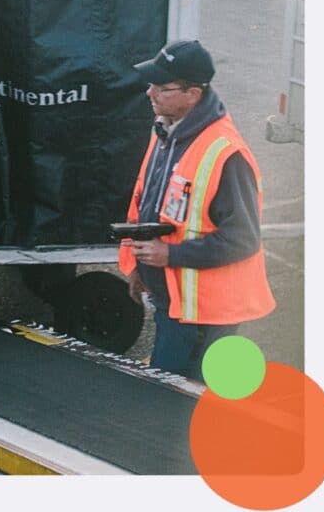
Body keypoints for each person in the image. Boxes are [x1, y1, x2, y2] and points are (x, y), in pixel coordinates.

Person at [118, 40, 275, 380]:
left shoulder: (227, 154)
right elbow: (147, 204)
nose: (150, 93)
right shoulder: (166, 132)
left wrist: (168, 256)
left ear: (193, 94)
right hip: (175, 305)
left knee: (181, 407)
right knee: (171, 402)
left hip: (205, 317)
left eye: (162, 87)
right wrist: (138, 268)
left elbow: (243, 240)